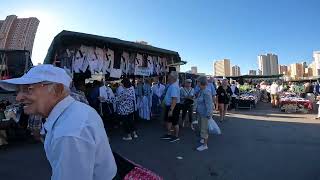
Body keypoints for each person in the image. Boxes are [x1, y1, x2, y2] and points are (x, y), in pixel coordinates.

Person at [0, 65, 117, 180]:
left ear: (57, 90)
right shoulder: (77, 110)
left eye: (28, 89)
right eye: (18, 91)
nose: (18, 98)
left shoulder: (68, 133)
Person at [160, 71, 181, 142]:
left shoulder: (173, 86)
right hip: (170, 106)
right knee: (168, 121)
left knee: (175, 122)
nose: (167, 77)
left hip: (173, 106)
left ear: (172, 77)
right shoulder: (172, 85)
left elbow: (174, 99)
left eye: (169, 76)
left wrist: (171, 110)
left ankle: (176, 136)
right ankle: (169, 134)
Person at [195, 76, 213, 151]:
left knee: (204, 129)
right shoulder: (201, 90)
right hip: (201, 113)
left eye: (198, 82)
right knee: (201, 127)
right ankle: (203, 139)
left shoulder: (206, 91)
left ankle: (205, 145)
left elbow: (209, 105)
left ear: (201, 82)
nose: (197, 83)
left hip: (205, 114)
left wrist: (208, 114)